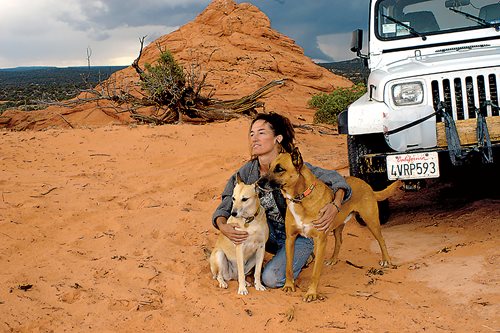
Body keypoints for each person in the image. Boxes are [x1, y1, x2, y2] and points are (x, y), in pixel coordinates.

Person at [212, 112, 351, 288]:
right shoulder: (247, 172)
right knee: (245, 222)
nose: (254, 138)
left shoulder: (292, 165)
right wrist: (223, 226)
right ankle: (270, 259)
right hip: (268, 235)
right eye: (252, 133)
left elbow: (336, 179)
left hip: (300, 234)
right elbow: (226, 201)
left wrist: (335, 205)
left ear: (278, 138)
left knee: (271, 279)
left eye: (261, 133)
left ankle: (303, 255)